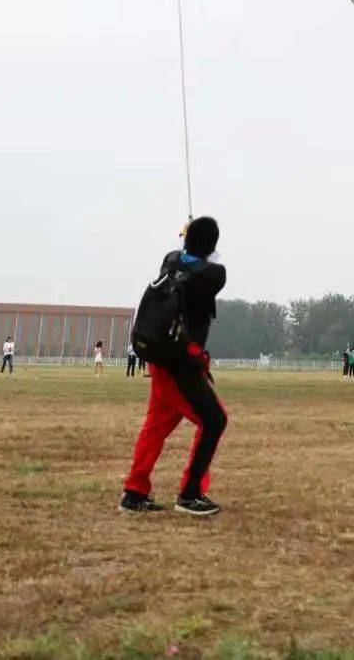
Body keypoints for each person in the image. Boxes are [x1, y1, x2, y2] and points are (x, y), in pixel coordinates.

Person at [121, 215, 229, 516]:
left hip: (162, 356)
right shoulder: (214, 273)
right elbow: (205, 274)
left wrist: (190, 248)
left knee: (156, 426)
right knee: (214, 420)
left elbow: (184, 264)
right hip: (178, 362)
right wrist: (200, 253)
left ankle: (134, 491)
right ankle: (190, 493)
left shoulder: (171, 261)